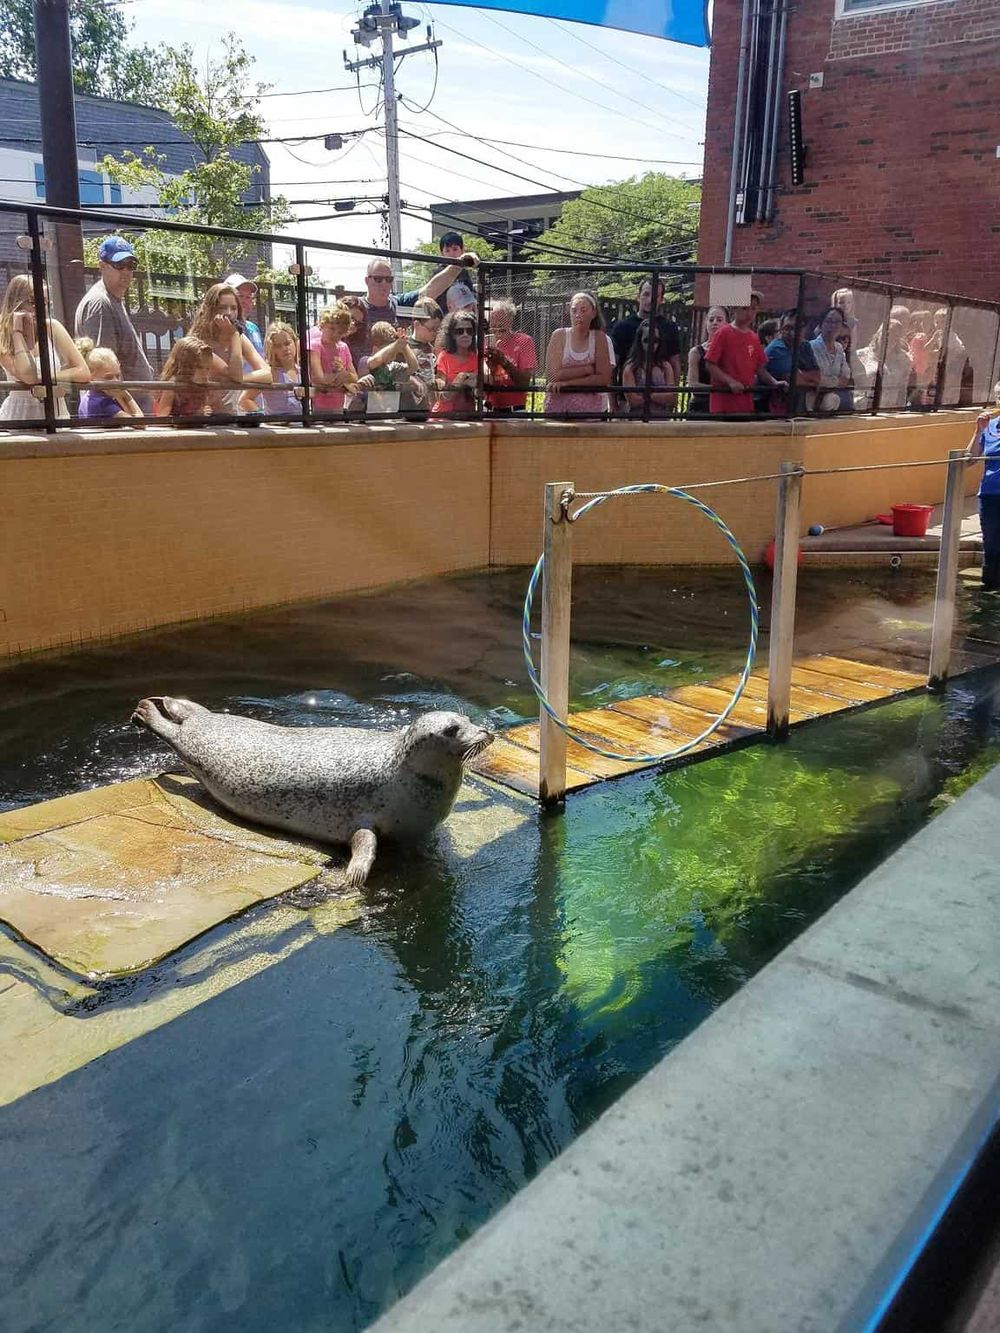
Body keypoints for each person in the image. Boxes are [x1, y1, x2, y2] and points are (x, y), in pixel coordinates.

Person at [346, 253, 482, 365]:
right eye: (378, 279)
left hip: (398, 382)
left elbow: (430, 289)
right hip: (363, 383)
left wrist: (459, 264)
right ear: (367, 280)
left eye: (388, 279)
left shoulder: (398, 303)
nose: (384, 284)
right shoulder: (356, 309)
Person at [75, 235, 154, 413]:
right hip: (119, 415)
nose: (126, 271)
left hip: (129, 412)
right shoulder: (100, 303)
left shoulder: (112, 300)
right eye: (119, 265)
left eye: (131, 266)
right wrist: (129, 413)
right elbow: (105, 369)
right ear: (102, 266)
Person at [0, 274, 89, 421]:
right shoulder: (3, 334)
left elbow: (83, 372)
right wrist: (17, 332)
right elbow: (28, 376)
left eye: (45, 303)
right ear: (16, 303)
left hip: (55, 411)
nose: (41, 309)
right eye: (34, 302)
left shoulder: (52, 327)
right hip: (21, 415)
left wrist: (45, 378)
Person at [188, 283, 272, 414]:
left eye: (233, 308)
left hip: (231, 415)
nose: (229, 313)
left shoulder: (238, 337)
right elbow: (235, 375)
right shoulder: (197, 342)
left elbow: (268, 374)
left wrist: (241, 379)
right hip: (204, 416)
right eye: (223, 307)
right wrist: (234, 335)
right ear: (211, 309)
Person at [705, 303, 786, 415]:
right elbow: (710, 364)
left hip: (745, 401)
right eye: (744, 308)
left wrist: (774, 382)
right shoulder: (723, 333)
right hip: (724, 402)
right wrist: (730, 382)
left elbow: (760, 369)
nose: (749, 313)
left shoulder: (754, 337)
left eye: (753, 309)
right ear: (735, 309)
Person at [544, 292, 612, 416]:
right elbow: (553, 375)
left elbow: (603, 378)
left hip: (591, 414)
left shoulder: (599, 338)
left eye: (583, 310)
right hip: (557, 411)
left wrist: (567, 383)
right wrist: (587, 369)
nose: (578, 315)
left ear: (594, 313)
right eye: (574, 310)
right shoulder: (559, 336)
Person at [610, 279, 682, 383]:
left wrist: (672, 395)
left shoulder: (670, 328)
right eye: (646, 294)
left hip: (660, 394)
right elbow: (613, 367)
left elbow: (675, 364)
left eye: (655, 296)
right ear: (638, 297)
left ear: (661, 299)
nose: (649, 300)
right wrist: (612, 399)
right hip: (626, 395)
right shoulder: (622, 327)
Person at [966, 389, 1000, 589]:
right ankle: (988, 589)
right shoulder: (990, 426)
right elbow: (970, 459)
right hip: (989, 494)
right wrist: (978, 430)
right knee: (991, 544)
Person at [358, 322, 424, 413]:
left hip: (389, 415)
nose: (393, 357)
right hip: (366, 416)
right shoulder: (364, 361)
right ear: (375, 349)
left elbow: (413, 367)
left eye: (395, 353)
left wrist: (404, 346)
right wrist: (395, 346)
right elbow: (375, 361)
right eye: (390, 353)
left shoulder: (392, 367)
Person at [485, 299, 536, 413]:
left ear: (510, 321)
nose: (497, 325)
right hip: (489, 408)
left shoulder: (524, 341)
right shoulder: (485, 342)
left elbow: (524, 382)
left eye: (501, 320)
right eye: (493, 320)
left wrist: (504, 362)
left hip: (515, 410)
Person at [762, 312, 818, 415]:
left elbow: (817, 376)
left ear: (805, 329)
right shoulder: (776, 348)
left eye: (798, 328)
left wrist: (803, 376)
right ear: (781, 330)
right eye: (788, 328)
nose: (792, 333)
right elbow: (793, 379)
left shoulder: (805, 346)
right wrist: (812, 383)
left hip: (796, 407)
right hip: (772, 411)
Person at [241, 322, 300, 416]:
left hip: (302, 425)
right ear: (272, 349)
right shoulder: (271, 373)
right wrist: (260, 414)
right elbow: (245, 399)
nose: (285, 348)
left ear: (295, 343)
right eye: (278, 346)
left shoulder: (302, 372)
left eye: (287, 343)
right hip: (278, 427)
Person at [308, 303, 357, 414]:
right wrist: (340, 377)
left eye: (340, 332)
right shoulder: (315, 346)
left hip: (339, 405)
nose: (335, 334)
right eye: (332, 328)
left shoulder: (344, 347)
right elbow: (318, 378)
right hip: (319, 405)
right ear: (323, 324)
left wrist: (344, 374)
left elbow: (354, 377)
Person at [621, 319, 676, 418]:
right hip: (636, 419)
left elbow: (671, 397)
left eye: (655, 341)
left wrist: (648, 395)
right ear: (639, 341)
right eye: (647, 340)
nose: (651, 345)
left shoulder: (665, 366)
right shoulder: (631, 367)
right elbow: (633, 400)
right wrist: (659, 397)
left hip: (660, 419)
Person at [76, 339, 143, 419]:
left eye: (118, 376)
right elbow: (140, 422)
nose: (116, 381)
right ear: (91, 377)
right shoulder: (103, 404)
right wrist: (126, 395)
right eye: (108, 377)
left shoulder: (89, 397)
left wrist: (119, 396)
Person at [855, 319, 914, 410]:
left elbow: (902, 392)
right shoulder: (860, 355)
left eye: (896, 336)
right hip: (862, 411)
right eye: (887, 334)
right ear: (878, 334)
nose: (890, 339)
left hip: (888, 413)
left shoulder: (904, 360)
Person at [154, 336, 215, 419]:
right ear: (185, 366)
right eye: (199, 367)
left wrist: (204, 411)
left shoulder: (203, 386)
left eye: (207, 368)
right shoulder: (173, 386)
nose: (205, 372)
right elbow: (161, 419)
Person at [806, 307, 853, 413]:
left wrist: (829, 381)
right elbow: (815, 378)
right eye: (829, 321)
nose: (833, 326)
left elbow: (846, 378)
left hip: (834, 405)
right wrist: (836, 381)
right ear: (821, 324)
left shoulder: (840, 348)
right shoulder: (810, 347)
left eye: (837, 322)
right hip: (813, 405)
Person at [433, 310, 479, 415]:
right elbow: (441, 397)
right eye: (460, 331)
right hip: (444, 417)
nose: (465, 335)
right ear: (452, 335)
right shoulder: (444, 357)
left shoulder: (476, 358)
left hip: (468, 416)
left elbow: (481, 392)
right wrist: (460, 379)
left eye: (469, 331)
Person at [401, 299, 442, 417]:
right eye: (431, 329)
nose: (435, 333)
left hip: (427, 408)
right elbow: (396, 373)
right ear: (417, 324)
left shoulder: (431, 348)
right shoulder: (404, 346)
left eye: (437, 329)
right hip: (407, 410)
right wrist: (411, 379)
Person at [686, 306, 728, 415]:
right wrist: (719, 389)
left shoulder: (732, 351)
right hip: (700, 406)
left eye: (719, 320)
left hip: (724, 408)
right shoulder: (696, 352)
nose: (715, 323)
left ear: (727, 323)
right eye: (711, 319)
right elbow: (692, 384)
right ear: (706, 322)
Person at [222, 272, 265, 357]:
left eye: (248, 297)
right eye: (240, 296)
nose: (244, 301)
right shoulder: (221, 329)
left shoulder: (254, 328)